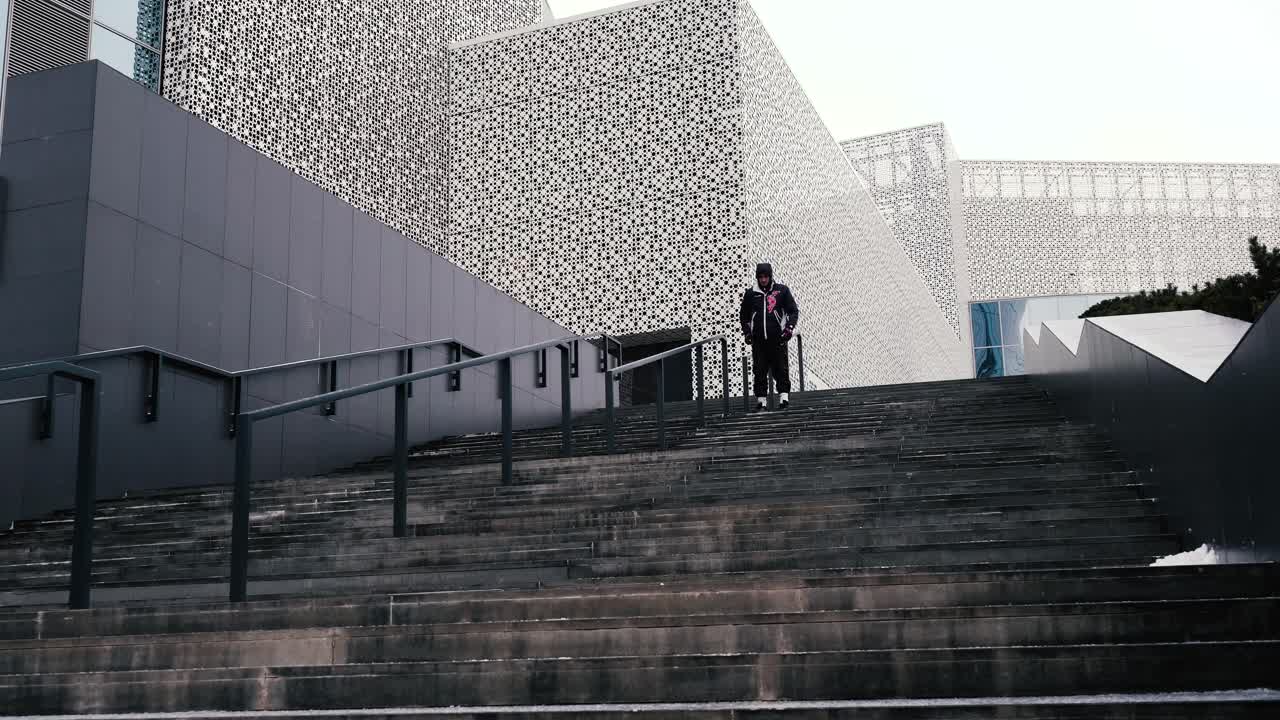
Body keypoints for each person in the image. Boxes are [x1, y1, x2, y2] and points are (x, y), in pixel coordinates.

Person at [739, 263, 799, 411]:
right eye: (760, 277)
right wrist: (747, 332)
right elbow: (744, 316)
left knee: (781, 368)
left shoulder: (782, 291)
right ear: (757, 277)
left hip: (778, 338)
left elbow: (793, 311)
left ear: (770, 276)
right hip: (758, 340)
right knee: (759, 370)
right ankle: (761, 402)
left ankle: (784, 398)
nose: (763, 279)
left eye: (766, 276)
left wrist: (789, 328)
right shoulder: (751, 294)